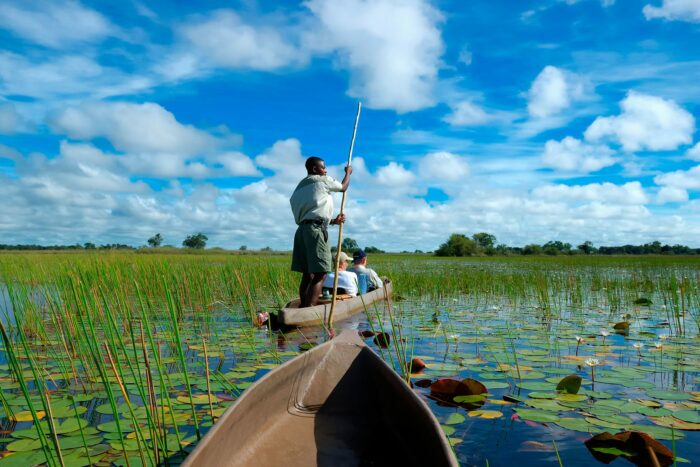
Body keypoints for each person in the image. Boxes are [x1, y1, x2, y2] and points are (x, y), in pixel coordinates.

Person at [290, 156, 352, 307]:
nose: (325, 170)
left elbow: (310, 213)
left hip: (302, 231)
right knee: (321, 273)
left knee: (308, 273)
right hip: (316, 231)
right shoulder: (322, 180)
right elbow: (343, 187)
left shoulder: (299, 188)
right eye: (323, 167)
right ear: (314, 169)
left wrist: (333, 221)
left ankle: (304, 307)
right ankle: (309, 309)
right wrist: (348, 173)